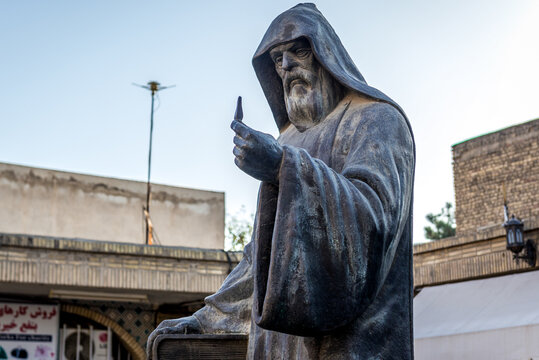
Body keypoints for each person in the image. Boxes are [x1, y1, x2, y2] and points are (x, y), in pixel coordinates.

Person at [147, 3, 415, 359]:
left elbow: (373, 222)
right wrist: (208, 318)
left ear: (326, 54)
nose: (286, 66)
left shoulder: (377, 120)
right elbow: (261, 258)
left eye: (298, 50)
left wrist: (282, 166)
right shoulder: (288, 140)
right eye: (277, 58)